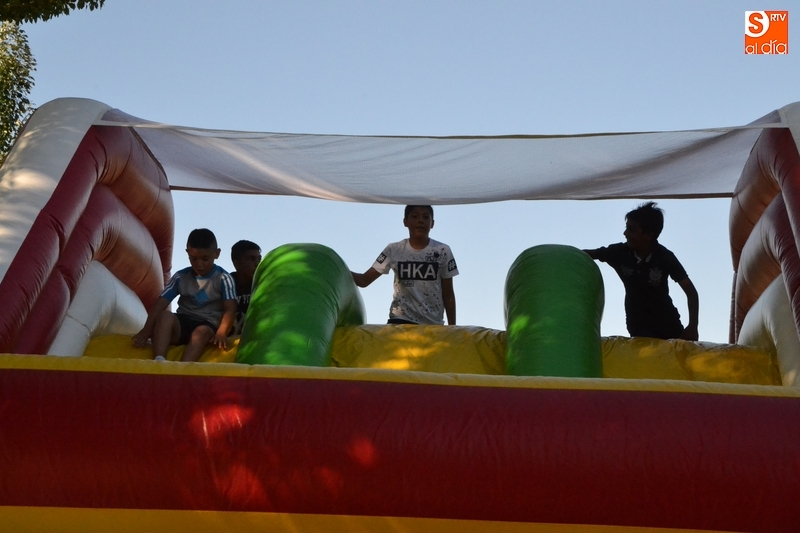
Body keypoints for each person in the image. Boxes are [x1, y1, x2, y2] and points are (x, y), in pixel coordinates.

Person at [583, 201, 699, 341]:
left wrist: (693, 327)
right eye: (626, 228)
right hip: (637, 326)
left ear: (648, 235)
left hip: (668, 326)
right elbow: (589, 254)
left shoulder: (664, 257)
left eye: (631, 229)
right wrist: (565, 254)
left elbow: (691, 292)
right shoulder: (619, 253)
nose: (625, 233)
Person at [132, 228, 236, 361]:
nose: (199, 264)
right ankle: (159, 359)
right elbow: (160, 304)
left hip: (207, 324)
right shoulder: (180, 277)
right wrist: (146, 330)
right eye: (194, 259)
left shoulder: (223, 278)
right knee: (165, 316)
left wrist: (221, 332)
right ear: (187, 253)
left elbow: (230, 308)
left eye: (205, 259)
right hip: (183, 323)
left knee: (201, 332)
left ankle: (183, 366)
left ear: (216, 253)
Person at [351, 205, 458, 325]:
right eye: (415, 216)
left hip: (432, 324)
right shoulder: (394, 249)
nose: (420, 220)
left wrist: (453, 329)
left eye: (425, 217)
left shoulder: (442, 251)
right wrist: (338, 267)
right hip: (400, 320)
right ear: (405, 222)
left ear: (432, 223)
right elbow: (364, 280)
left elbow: (448, 295)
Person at [230, 239, 262, 335]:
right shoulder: (224, 284)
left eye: (259, 259)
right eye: (251, 259)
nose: (257, 264)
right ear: (237, 264)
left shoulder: (262, 284)